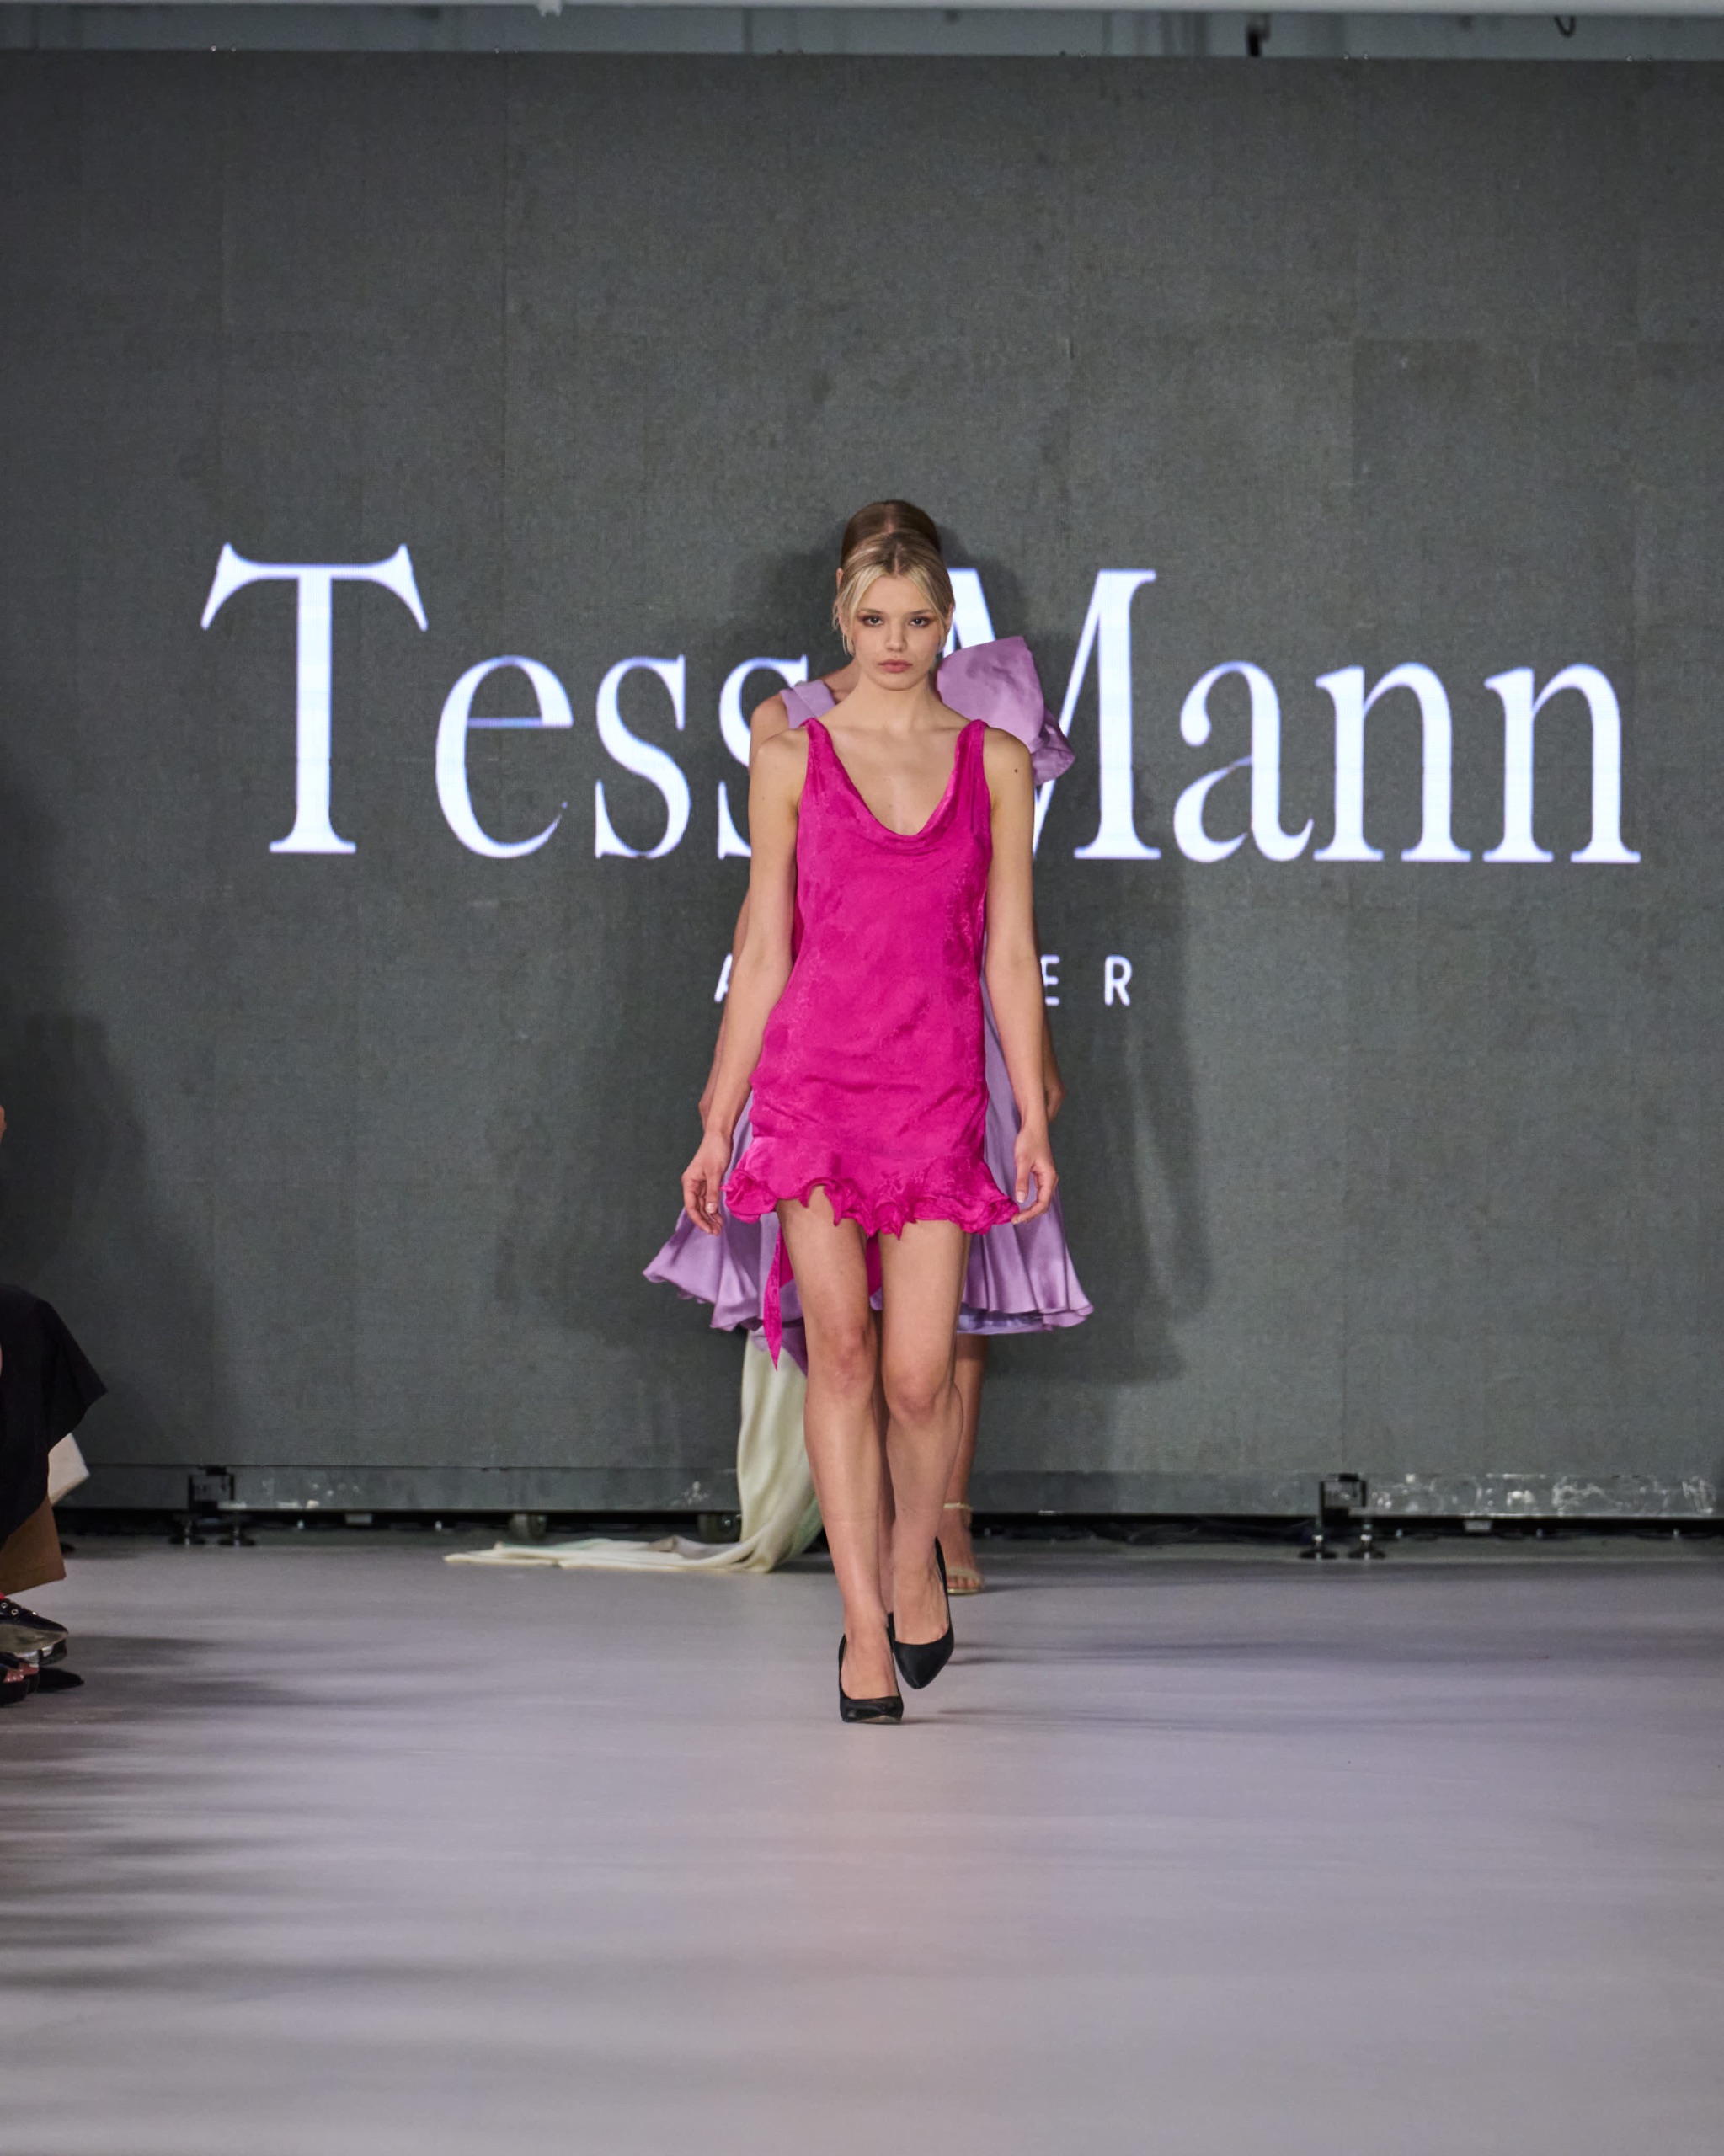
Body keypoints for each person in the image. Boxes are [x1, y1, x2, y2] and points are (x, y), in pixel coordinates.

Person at [649, 502, 1089, 1592]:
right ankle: (861, 1629)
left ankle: (913, 1563)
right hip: (812, 1089)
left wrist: (1032, 1117)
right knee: (839, 1356)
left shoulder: (994, 762)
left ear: (948, 628)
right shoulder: (790, 757)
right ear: (843, 621)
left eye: (919, 620)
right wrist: (717, 1122)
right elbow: (764, 948)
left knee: (918, 1381)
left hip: (937, 1095)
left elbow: (1010, 950)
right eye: (877, 619)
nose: (897, 641)